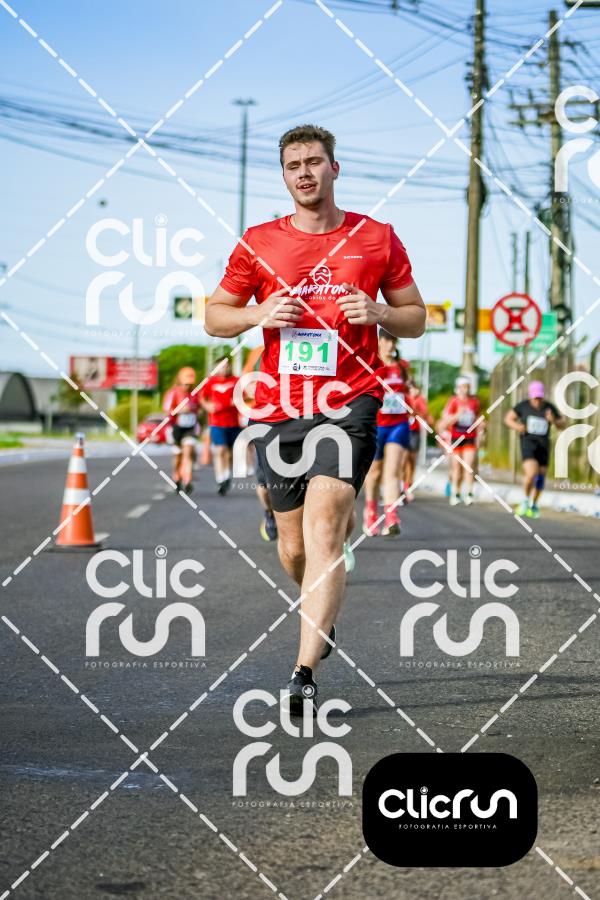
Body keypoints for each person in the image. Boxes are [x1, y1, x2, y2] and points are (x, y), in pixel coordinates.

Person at [205, 124, 425, 714]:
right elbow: (214, 316)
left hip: (350, 401)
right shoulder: (259, 242)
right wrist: (256, 313)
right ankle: (319, 612)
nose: (304, 172)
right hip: (279, 407)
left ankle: (303, 671)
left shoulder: (376, 238)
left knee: (328, 528)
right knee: (295, 547)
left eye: (314, 162)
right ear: (284, 175)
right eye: (293, 165)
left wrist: (379, 311)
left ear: (335, 168)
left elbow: (415, 316)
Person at [363, 329, 410, 536]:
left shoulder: (402, 366)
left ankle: (391, 517)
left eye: (394, 341)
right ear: (380, 341)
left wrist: (412, 390)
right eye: (388, 341)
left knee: (393, 471)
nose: (391, 345)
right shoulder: (371, 363)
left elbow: (408, 388)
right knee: (374, 473)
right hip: (376, 424)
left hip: (398, 425)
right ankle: (371, 513)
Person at [504, 380, 565, 518]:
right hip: (528, 443)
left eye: (539, 397)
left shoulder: (549, 407)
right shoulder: (523, 406)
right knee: (532, 473)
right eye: (535, 397)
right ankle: (525, 500)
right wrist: (518, 427)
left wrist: (553, 420)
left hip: (543, 445)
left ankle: (534, 504)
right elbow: (508, 419)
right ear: (530, 395)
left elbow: (562, 424)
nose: (537, 400)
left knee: (541, 478)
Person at [242, 346, 278, 541]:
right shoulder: (259, 351)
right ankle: (269, 514)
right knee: (265, 484)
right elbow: (245, 388)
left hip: (300, 425)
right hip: (266, 426)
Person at [438, 376, 483, 506]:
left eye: (467, 387)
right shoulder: (453, 401)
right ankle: (455, 492)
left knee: (469, 466)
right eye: (463, 387)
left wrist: (480, 425)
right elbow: (445, 421)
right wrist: (457, 415)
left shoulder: (474, 401)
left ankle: (469, 493)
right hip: (456, 437)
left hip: (470, 437)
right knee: (456, 467)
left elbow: (477, 417)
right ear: (458, 388)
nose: (465, 389)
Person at [199, 356, 241, 496]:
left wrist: (234, 401)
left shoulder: (236, 381)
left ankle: (227, 475)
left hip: (233, 423)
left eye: (227, 366)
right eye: (222, 366)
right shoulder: (210, 382)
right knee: (219, 450)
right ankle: (220, 479)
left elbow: (245, 397)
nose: (225, 368)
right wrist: (207, 406)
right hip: (216, 423)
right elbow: (202, 398)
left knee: (229, 454)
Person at [163, 366, 201, 494]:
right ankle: (177, 476)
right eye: (185, 383)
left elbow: (200, 409)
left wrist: (196, 412)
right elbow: (167, 410)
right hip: (176, 428)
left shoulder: (195, 394)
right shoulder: (173, 392)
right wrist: (180, 410)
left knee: (188, 453)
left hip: (190, 428)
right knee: (178, 456)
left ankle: (187, 479)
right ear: (180, 381)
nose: (187, 386)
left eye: (190, 384)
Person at [404, 381, 434, 500]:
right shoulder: (404, 397)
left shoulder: (420, 400)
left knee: (411, 460)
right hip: (402, 430)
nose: (413, 391)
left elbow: (426, 415)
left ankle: (408, 485)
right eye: (410, 388)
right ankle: (401, 486)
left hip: (414, 432)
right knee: (403, 460)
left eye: (415, 388)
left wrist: (418, 411)